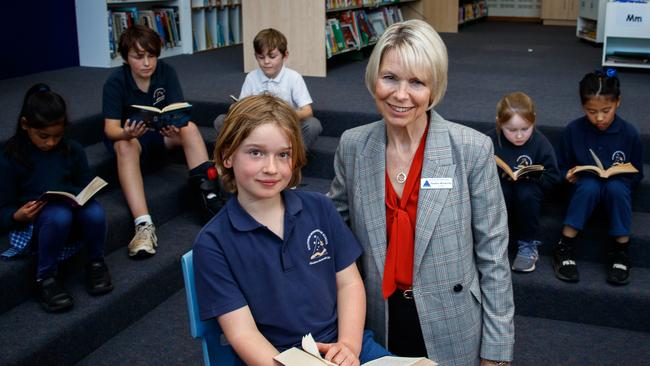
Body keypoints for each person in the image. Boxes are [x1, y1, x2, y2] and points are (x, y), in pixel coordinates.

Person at [328, 20, 514, 366]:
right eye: (390, 78)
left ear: (434, 87)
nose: (400, 95)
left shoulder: (471, 149)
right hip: (376, 316)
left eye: (416, 82)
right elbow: (334, 233)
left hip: (451, 318)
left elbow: (493, 254)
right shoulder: (353, 146)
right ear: (374, 78)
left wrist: (497, 346)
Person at [193, 94, 390, 366]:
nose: (271, 168)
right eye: (256, 152)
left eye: (283, 154)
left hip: (342, 347)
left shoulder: (321, 208)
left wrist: (348, 345)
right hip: (275, 359)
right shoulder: (213, 243)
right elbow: (242, 333)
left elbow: (349, 283)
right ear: (227, 155)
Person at [103, 24, 222, 259]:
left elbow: (177, 110)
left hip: (160, 135)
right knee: (124, 146)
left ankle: (208, 197)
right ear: (126, 57)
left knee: (190, 128)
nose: (146, 63)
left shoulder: (166, 72)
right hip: (131, 140)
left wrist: (173, 125)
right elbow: (110, 129)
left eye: (152, 56)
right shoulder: (115, 81)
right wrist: (127, 133)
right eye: (139, 57)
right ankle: (143, 225)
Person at [0, 83, 113, 313]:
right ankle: (46, 278)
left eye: (57, 136)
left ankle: (96, 263)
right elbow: (2, 208)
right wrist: (16, 215)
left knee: (95, 211)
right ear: (25, 125)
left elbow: (84, 183)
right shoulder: (10, 158)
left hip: (71, 216)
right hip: (35, 226)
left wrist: (84, 194)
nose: (51, 142)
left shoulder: (72, 150)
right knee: (58, 215)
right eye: (43, 136)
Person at [553, 70, 643, 285]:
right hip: (584, 187)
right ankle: (565, 246)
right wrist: (567, 175)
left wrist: (622, 177)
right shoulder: (573, 130)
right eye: (591, 111)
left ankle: (621, 250)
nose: (599, 117)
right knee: (590, 186)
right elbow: (560, 166)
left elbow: (638, 173)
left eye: (606, 110)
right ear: (583, 106)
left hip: (617, 188)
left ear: (617, 102)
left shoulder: (629, 133)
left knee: (616, 188)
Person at [486, 92, 560, 272]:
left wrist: (535, 177)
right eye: (511, 130)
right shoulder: (489, 141)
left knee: (525, 191)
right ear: (499, 122)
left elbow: (554, 176)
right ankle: (493, 242)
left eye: (525, 129)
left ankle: (528, 244)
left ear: (533, 121)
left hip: (529, 194)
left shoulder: (540, 143)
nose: (519, 136)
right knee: (500, 190)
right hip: (501, 191)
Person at [213, 28, 322, 150]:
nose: (266, 62)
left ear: (285, 55)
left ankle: (292, 159)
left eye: (272, 56)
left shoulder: (293, 77)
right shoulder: (251, 77)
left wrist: (284, 114)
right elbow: (241, 106)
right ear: (255, 56)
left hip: (285, 128)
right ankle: (240, 155)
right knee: (221, 121)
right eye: (261, 57)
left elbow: (308, 111)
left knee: (313, 125)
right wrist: (236, 108)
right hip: (256, 128)